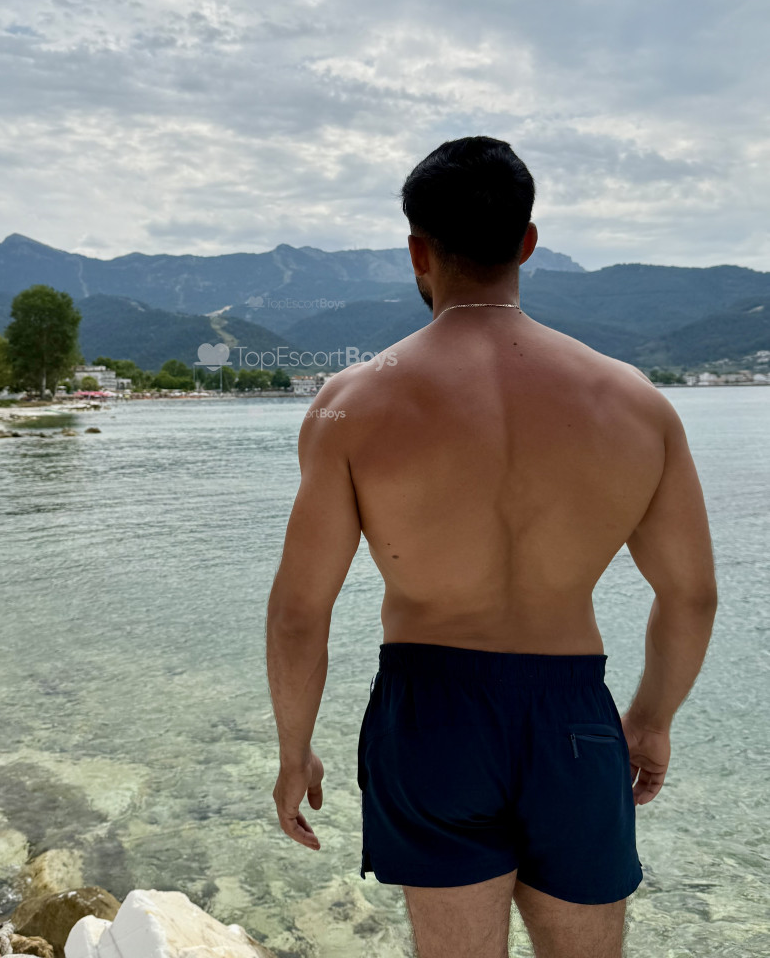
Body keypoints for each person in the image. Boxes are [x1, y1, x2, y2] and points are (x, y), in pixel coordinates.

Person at [265, 137, 717, 958]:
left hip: (429, 715)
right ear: (527, 242)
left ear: (417, 252)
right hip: (573, 717)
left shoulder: (348, 404)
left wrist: (294, 749)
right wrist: (650, 721)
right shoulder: (635, 403)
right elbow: (690, 595)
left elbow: (301, 611)